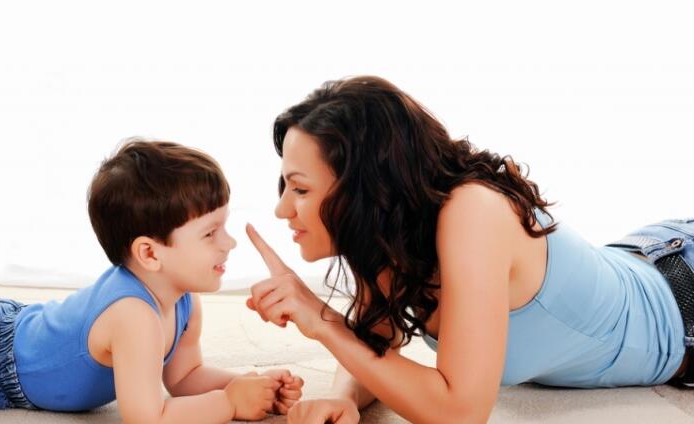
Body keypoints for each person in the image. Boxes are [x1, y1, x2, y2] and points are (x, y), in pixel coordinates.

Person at [245, 76, 694, 423]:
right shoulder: (388, 237)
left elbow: (460, 412)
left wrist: (321, 320)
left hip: (683, 292)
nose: (282, 209)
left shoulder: (473, 211)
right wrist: (343, 397)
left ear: (366, 190)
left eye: (300, 189)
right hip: (644, 259)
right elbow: (374, 343)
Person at [0, 139, 304, 423]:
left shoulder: (183, 299)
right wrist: (229, 403)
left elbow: (185, 377)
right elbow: (147, 418)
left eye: (224, 226)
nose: (229, 243)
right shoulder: (133, 315)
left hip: (9, 325)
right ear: (149, 253)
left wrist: (246, 384)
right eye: (210, 233)